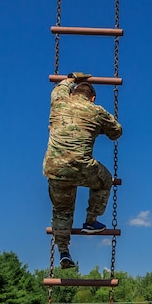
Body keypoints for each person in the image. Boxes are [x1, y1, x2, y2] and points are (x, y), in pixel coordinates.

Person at [42, 72, 123, 269]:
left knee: (61, 210)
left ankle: (63, 252)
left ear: (71, 94)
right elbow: (117, 132)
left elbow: (63, 85)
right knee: (105, 181)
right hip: (81, 167)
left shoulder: (59, 101)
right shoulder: (96, 110)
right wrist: (96, 128)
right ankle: (91, 221)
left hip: (55, 168)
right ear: (92, 98)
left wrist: (72, 77)